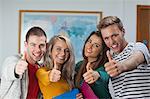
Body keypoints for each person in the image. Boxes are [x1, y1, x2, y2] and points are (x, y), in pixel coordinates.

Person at [97, 16, 150, 98]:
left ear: (123, 31)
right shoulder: (110, 60)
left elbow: (135, 61)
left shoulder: (138, 47)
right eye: (106, 38)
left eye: (114, 35)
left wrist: (122, 66)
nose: (111, 42)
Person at [0, 26, 47, 99]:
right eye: (33, 45)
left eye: (41, 45)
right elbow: (7, 70)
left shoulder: (41, 69)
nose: (38, 50)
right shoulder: (14, 60)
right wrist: (16, 69)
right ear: (26, 45)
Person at [36, 35, 76, 99]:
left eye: (67, 50)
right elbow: (45, 76)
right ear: (50, 51)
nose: (63, 53)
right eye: (58, 49)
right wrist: (50, 75)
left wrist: (75, 97)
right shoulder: (41, 71)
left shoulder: (68, 75)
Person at [75, 31, 111, 99]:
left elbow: (106, 76)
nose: (89, 46)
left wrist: (97, 75)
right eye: (89, 41)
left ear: (101, 51)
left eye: (96, 45)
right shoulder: (78, 66)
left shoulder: (105, 67)